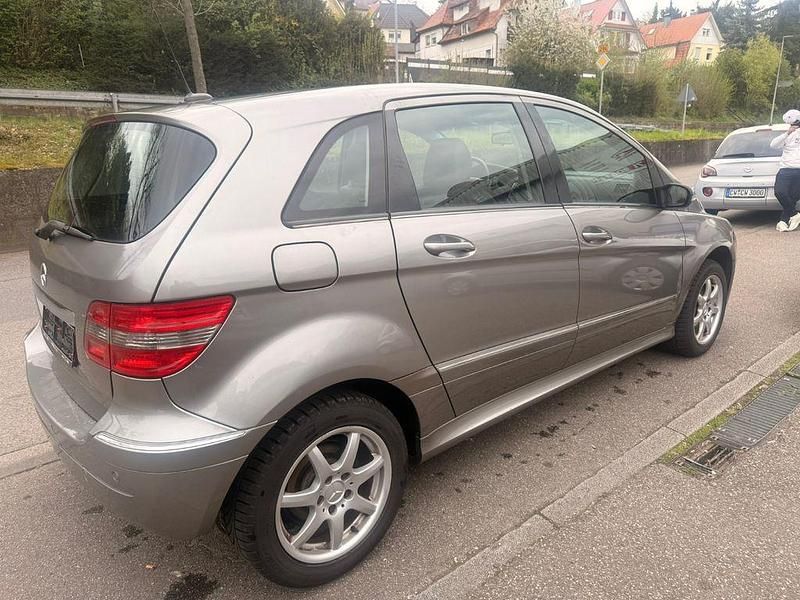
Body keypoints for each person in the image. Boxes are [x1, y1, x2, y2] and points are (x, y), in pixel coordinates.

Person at [770, 109, 800, 232]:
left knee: (792, 197)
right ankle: (795, 215)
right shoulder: (787, 134)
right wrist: (787, 133)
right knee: (779, 192)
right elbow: (773, 145)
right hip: (785, 169)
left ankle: (783, 220)